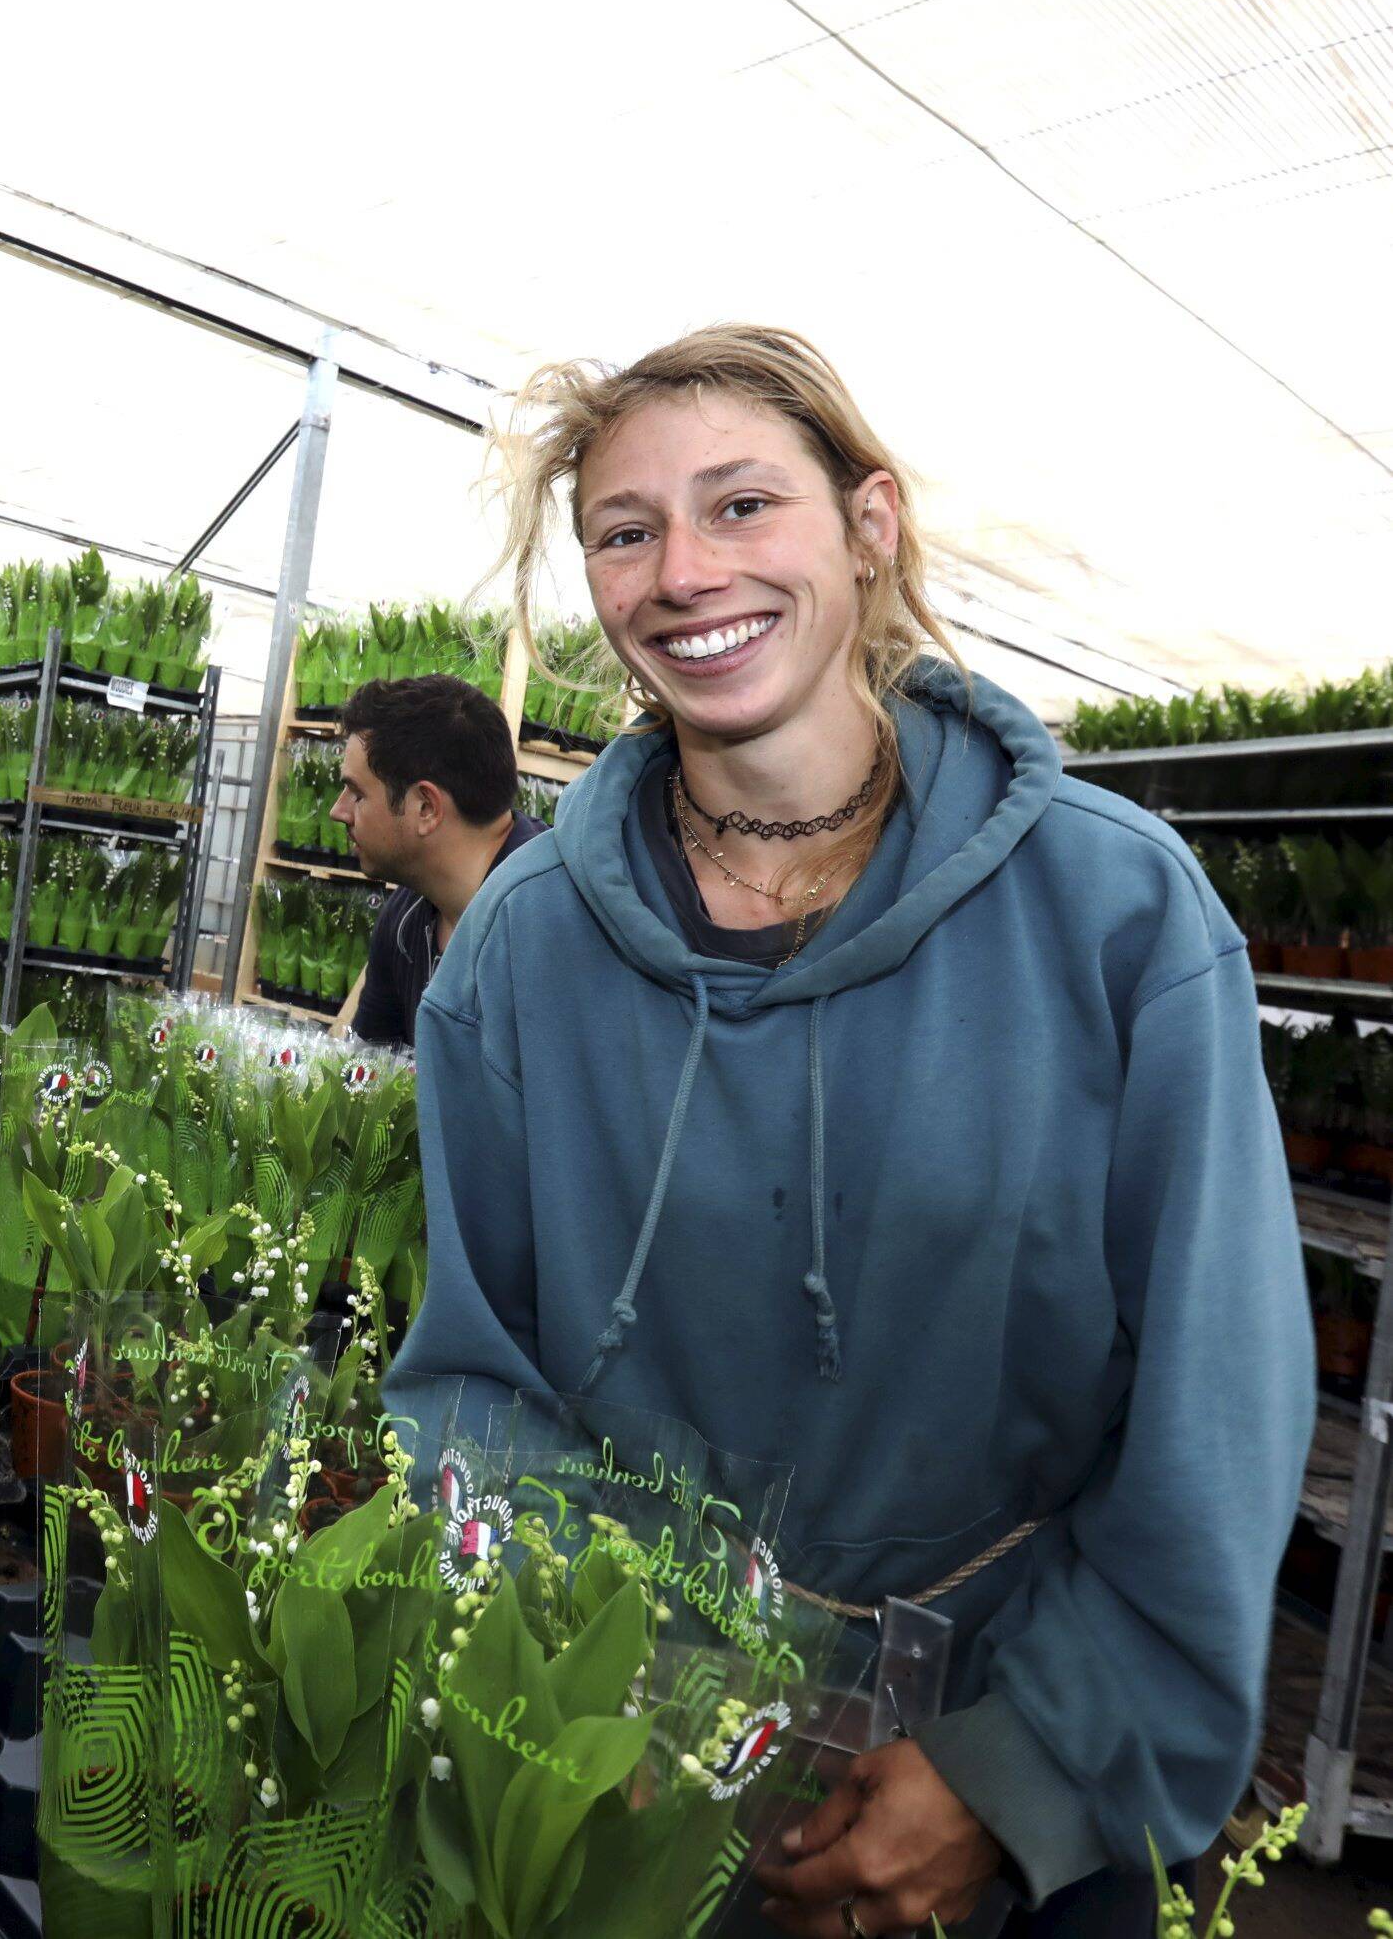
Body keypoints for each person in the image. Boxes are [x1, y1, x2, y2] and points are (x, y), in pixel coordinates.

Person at [390, 325, 1309, 1938]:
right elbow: (473, 1366)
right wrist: (612, 1691)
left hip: (1002, 1762)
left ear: (867, 526)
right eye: (625, 529)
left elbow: (1214, 1403)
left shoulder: (1112, 908)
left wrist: (1023, 1771)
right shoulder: (523, 949)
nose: (683, 570)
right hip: (637, 1762)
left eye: (742, 506)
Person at [330, 671, 544, 1051]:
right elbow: (370, 1076)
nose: (338, 811)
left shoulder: (546, 928)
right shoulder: (404, 916)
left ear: (426, 807)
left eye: (356, 793)